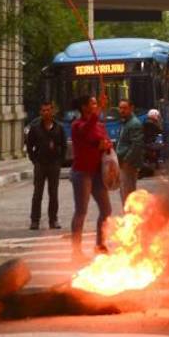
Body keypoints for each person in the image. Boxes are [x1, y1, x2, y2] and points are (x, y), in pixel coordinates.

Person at [70, 95, 113, 257]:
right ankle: (76, 250)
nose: (95, 106)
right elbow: (85, 131)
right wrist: (98, 112)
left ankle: (100, 244)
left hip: (97, 172)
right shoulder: (77, 125)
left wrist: (106, 145)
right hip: (82, 172)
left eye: (96, 103)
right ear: (84, 107)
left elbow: (106, 142)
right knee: (81, 211)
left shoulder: (100, 126)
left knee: (106, 209)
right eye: (93, 103)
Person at [25, 101, 66, 230]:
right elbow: (29, 146)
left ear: (52, 111)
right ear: (40, 112)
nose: (46, 112)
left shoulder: (59, 127)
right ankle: (34, 220)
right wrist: (34, 159)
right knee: (37, 194)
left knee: (53, 194)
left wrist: (60, 161)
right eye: (43, 110)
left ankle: (53, 220)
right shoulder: (35, 128)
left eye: (48, 110)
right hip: (40, 164)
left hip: (54, 164)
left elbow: (64, 146)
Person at [114, 99, 144, 206]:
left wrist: (126, 160)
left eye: (124, 108)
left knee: (128, 193)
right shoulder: (126, 122)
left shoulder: (134, 124)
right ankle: (128, 217)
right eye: (120, 108)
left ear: (131, 108)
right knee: (124, 191)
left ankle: (130, 217)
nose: (121, 110)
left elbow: (136, 145)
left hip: (128, 165)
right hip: (123, 163)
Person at [142, 108, 164, 177]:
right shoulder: (151, 124)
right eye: (157, 115)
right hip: (149, 144)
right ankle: (158, 162)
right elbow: (160, 131)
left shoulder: (146, 122)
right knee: (161, 146)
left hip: (146, 143)